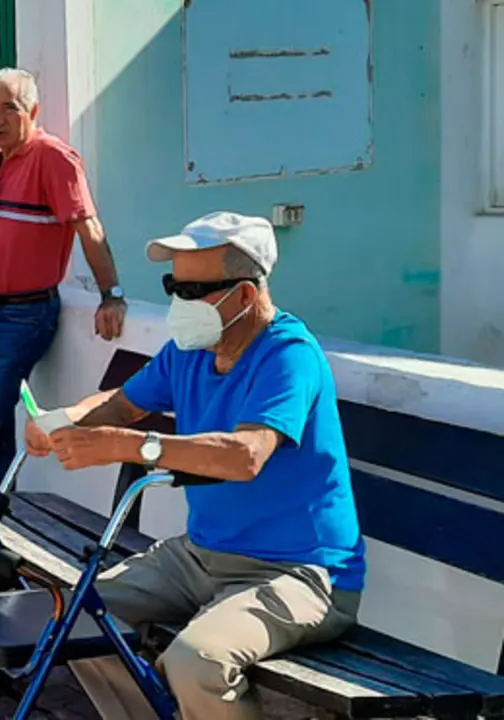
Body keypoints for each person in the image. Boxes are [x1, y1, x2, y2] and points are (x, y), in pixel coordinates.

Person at [24, 211, 366, 719]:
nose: (177, 303)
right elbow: (122, 405)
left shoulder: (288, 355)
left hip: (302, 572)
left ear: (244, 296)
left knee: (196, 661)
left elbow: (245, 455)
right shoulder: (192, 350)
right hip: (202, 554)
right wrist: (62, 420)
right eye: (172, 287)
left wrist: (133, 447)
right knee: (77, 617)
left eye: (191, 291)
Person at [0, 67, 128, 492]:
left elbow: (89, 228)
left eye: (9, 109)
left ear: (33, 111)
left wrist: (112, 294)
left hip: (21, 316)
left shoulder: (53, 158)